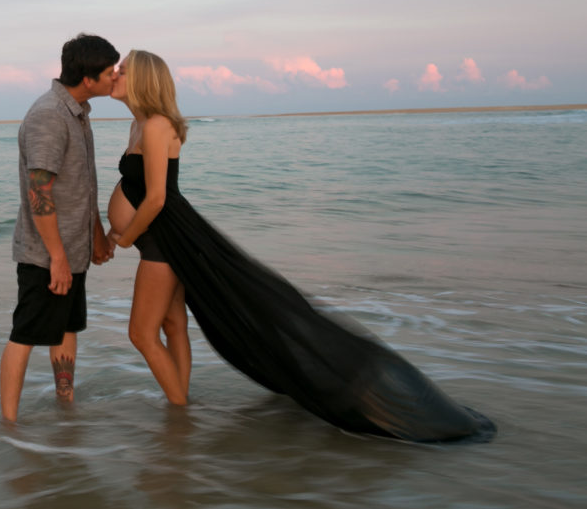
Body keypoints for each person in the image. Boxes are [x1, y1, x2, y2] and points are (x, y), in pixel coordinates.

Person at [105, 49, 495, 442]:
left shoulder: (155, 125)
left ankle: (178, 413)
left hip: (163, 240)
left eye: (121, 70)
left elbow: (156, 198)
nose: (113, 75)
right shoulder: (140, 124)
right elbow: (138, 190)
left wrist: (124, 237)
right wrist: (111, 232)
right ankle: (180, 403)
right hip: (162, 238)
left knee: (141, 333)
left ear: (142, 79)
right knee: (172, 324)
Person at [0, 33, 119, 423]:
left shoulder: (77, 113)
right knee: (26, 334)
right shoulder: (50, 115)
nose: (115, 77)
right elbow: (40, 192)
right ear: (88, 79)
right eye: (109, 71)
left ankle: (65, 408)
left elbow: (81, 185)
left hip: (72, 250)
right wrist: (57, 258)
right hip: (47, 255)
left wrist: (96, 234)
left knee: (66, 329)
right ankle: (9, 425)